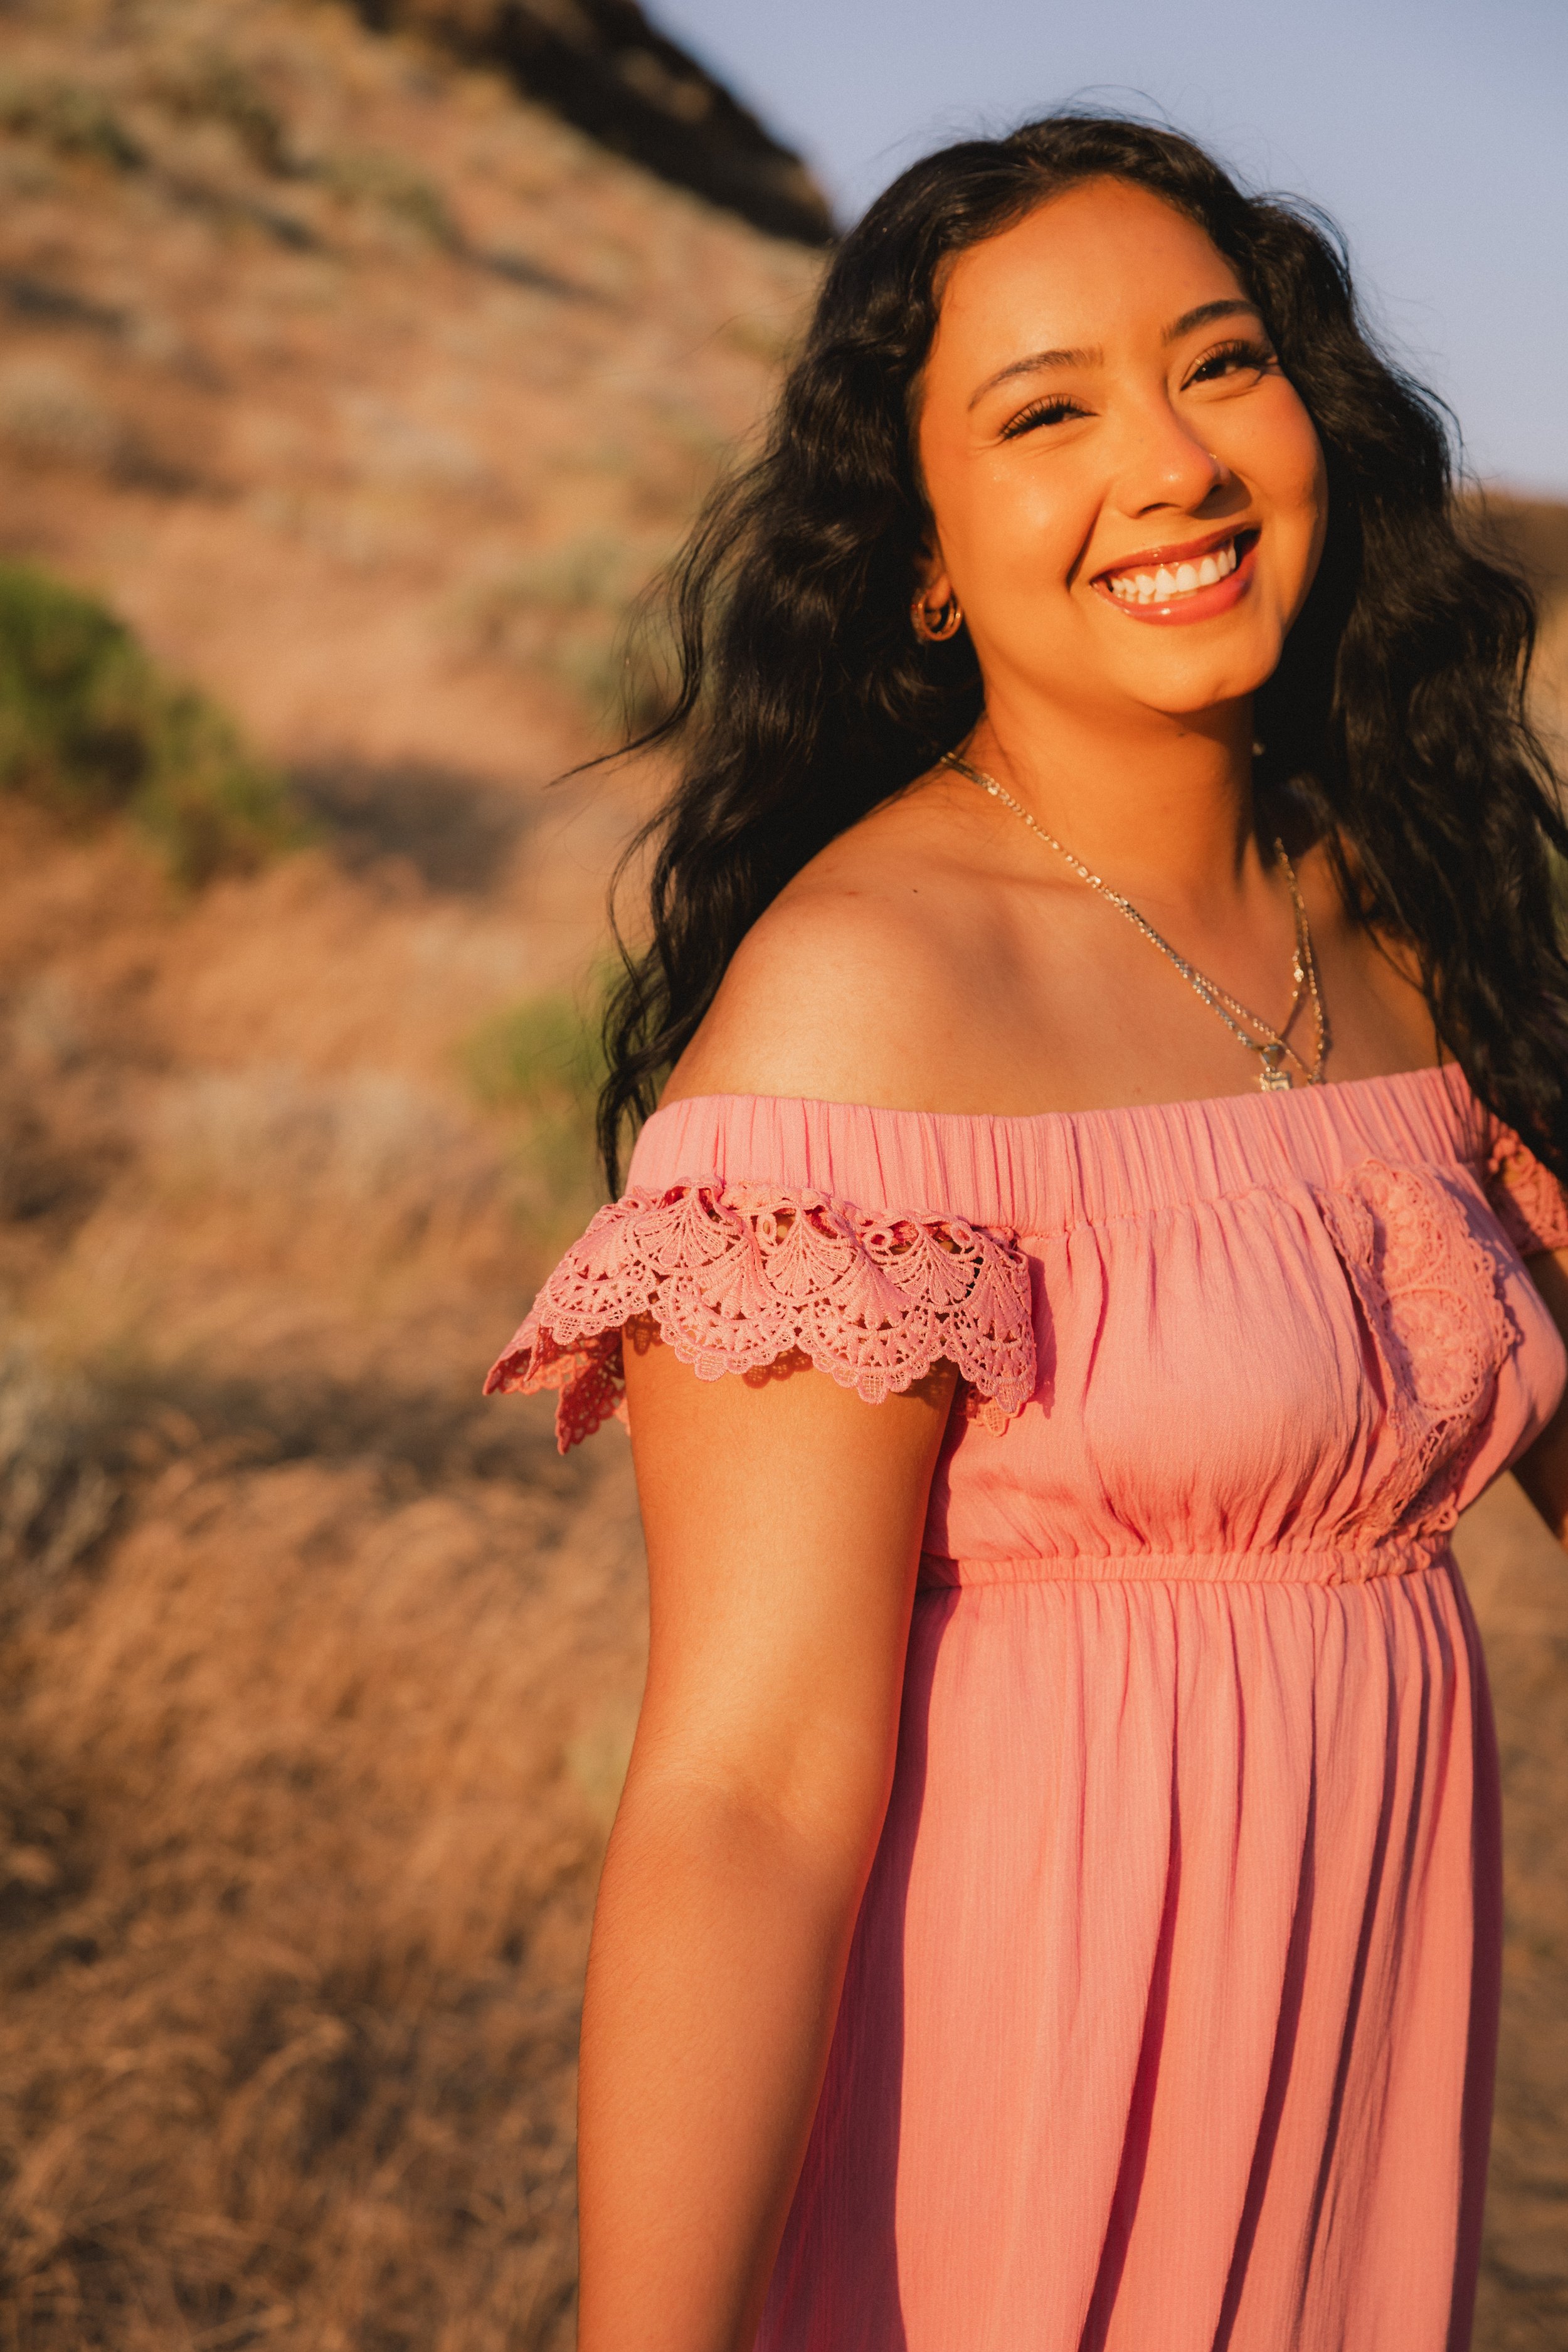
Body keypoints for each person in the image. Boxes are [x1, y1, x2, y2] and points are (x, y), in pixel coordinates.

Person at [487, 116, 1568, 2352]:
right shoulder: (864, 995)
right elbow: (748, 1799)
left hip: (1360, 2066)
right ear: (923, 559)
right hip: (1019, 2082)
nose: (1165, 462)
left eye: (1216, 366)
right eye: (1046, 412)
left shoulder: (1401, 914)